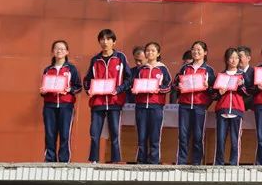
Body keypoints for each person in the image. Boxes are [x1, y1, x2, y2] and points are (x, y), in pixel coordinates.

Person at [83, 28, 132, 163]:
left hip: (115, 101)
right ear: (99, 41)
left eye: (108, 39)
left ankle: (115, 160)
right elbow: (87, 80)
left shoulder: (120, 58)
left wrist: (119, 89)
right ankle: (94, 160)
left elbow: (129, 78)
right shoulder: (95, 60)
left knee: (115, 133)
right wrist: (89, 90)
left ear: (114, 42)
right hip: (97, 102)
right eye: (102, 39)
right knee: (94, 133)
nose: (105, 42)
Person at [173, 41, 216, 165]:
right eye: (193, 49)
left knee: (198, 136)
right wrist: (179, 86)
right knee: (183, 135)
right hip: (184, 105)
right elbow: (175, 84)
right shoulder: (185, 68)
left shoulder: (209, 70)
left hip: (199, 106)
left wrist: (208, 88)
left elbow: (214, 91)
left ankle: (197, 162)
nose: (196, 52)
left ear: (205, 52)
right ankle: (181, 162)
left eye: (199, 49)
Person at [40, 40, 81, 163]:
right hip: (49, 106)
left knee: (65, 134)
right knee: (50, 134)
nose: (59, 51)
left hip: (66, 105)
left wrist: (70, 90)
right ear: (53, 51)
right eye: (57, 48)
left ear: (67, 52)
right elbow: (44, 88)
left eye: (62, 49)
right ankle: (49, 159)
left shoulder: (71, 69)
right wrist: (43, 91)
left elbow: (78, 87)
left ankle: (64, 161)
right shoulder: (48, 70)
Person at [131, 42, 171, 164]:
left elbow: (168, 86)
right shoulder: (141, 69)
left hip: (156, 106)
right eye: (148, 50)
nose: (150, 53)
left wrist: (159, 89)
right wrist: (135, 89)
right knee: (142, 135)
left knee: (154, 135)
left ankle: (154, 160)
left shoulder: (163, 69)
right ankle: (141, 160)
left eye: (153, 50)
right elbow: (134, 84)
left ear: (158, 53)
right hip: (141, 105)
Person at [213, 48, 248, 166]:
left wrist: (241, 86)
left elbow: (248, 93)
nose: (234, 60)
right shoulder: (221, 75)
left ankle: (234, 164)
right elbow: (214, 95)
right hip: (222, 110)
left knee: (235, 140)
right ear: (227, 59)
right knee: (220, 139)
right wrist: (219, 93)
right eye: (231, 57)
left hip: (237, 110)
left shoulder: (242, 75)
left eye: (236, 58)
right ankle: (219, 163)